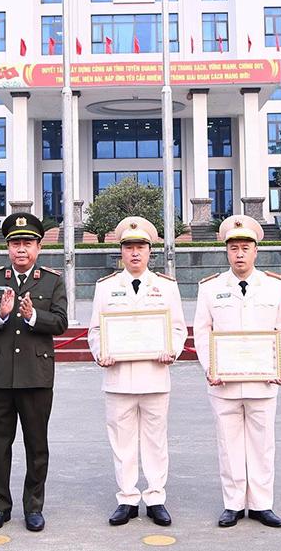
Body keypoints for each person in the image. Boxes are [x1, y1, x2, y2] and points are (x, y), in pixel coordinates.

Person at [193, 214, 281, 529]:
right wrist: (211, 367)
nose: (239, 253)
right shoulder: (211, 288)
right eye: (233, 247)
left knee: (263, 445)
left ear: (256, 251)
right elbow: (202, 331)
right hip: (223, 382)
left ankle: (262, 504)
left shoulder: (274, 287)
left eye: (245, 247)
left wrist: (280, 366)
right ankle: (233, 504)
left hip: (263, 380)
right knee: (229, 443)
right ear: (226, 251)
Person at [0, 212, 69, 533]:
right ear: (8, 247)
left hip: (36, 377)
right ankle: (0, 506)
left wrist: (32, 316)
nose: (21, 250)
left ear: (38, 247)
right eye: (15, 243)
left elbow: (61, 323)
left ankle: (33, 506)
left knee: (36, 445)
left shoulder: (52, 281)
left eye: (27, 243)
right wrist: (0, 314)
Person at [87, 216, 187, 527]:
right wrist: (101, 352)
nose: (134, 253)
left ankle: (156, 496)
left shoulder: (166, 287)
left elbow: (178, 327)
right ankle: (127, 497)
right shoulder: (106, 288)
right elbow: (94, 329)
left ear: (149, 251)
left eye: (140, 247)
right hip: (118, 378)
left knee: (156, 440)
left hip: (155, 374)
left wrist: (171, 349)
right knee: (122, 441)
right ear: (121, 251)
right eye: (129, 247)